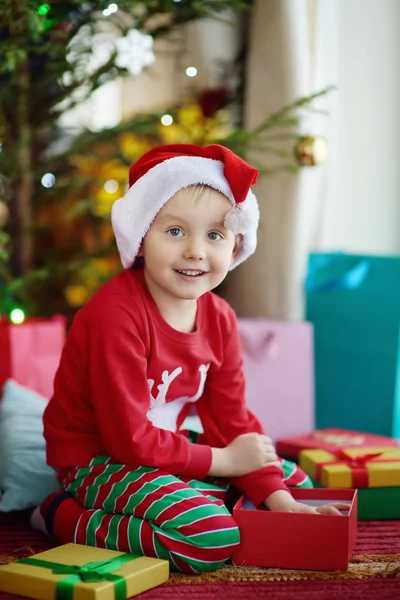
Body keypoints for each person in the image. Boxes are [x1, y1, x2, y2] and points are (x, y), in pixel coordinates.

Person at [33, 144, 348, 574]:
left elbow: (230, 419)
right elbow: (128, 439)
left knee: (294, 482)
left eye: (214, 235)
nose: (196, 251)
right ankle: (62, 515)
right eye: (176, 231)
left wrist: (281, 501)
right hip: (98, 458)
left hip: (164, 449)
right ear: (142, 235)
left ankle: (206, 500)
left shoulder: (218, 317)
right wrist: (225, 463)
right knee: (210, 538)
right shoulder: (115, 316)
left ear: (236, 244)